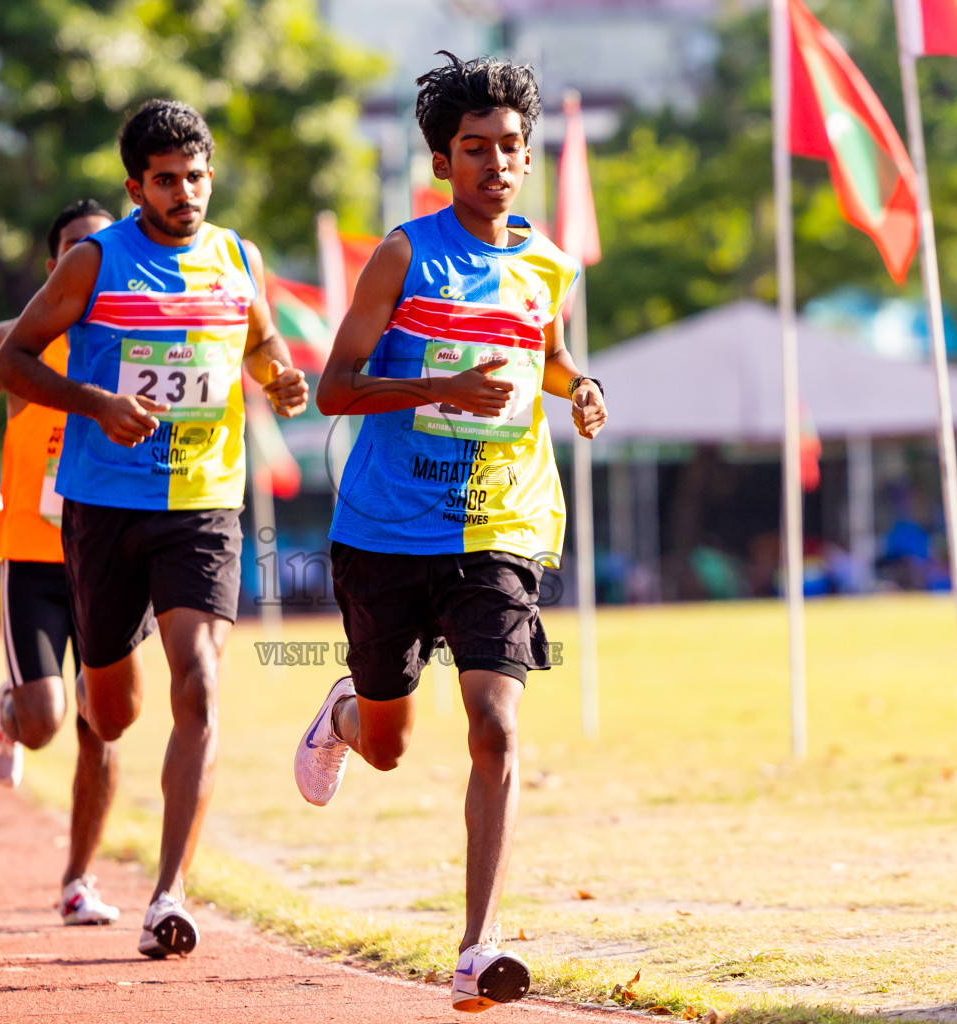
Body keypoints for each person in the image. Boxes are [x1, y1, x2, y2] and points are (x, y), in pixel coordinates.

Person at [289, 52, 608, 1014]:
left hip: (505, 519)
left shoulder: (549, 264)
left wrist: (581, 387)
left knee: (497, 724)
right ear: (443, 161)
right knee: (391, 744)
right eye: (476, 149)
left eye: (512, 147)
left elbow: (545, 359)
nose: (497, 164)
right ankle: (347, 714)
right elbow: (335, 389)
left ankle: (477, 948)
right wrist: (438, 387)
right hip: (387, 529)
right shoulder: (402, 254)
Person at [0, 99, 308, 957]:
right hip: (103, 507)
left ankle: (169, 893)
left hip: (205, 504)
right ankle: (66, 687)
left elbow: (265, 344)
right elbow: (10, 360)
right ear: (135, 186)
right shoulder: (95, 262)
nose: (184, 193)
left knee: (199, 685)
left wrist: (280, 381)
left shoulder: (239, 257)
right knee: (114, 711)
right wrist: (96, 402)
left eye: (196, 176)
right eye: (165, 181)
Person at [0, 198, 122, 927]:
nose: (96, 262)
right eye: (80, 249)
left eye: (107, 248)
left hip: (108, 558)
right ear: (57, 267)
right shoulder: (15, 342)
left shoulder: (141, 340)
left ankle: (79, 879)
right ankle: (12, 710)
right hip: (36, 561)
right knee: (47, 721)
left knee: (101, 722)